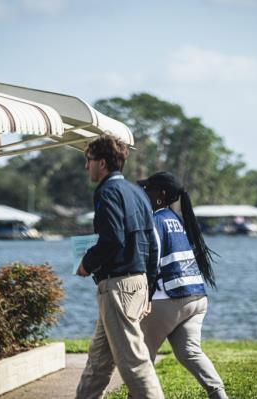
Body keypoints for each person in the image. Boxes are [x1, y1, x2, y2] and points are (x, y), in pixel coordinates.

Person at [75, 136, 164, 399]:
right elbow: (153, 243)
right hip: (135, 285)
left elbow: (112, 239)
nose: (86, 167)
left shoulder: (107, 192)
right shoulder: (137, 192)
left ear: (102, 163)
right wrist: (148, 288)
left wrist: (86, 263)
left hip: (118, 287)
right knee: (98, 363)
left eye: (88, 160)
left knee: (134, 364)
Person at [137, 171, 229, 399]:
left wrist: (145, 297)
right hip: (196, 298)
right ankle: (219, 394)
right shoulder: (176, 219)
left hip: (168, 300)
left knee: (140, 357)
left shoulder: (155, 220)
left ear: (161, 195)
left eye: (148, 189)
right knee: (189, 352)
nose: (144, 192)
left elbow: (150, 262)